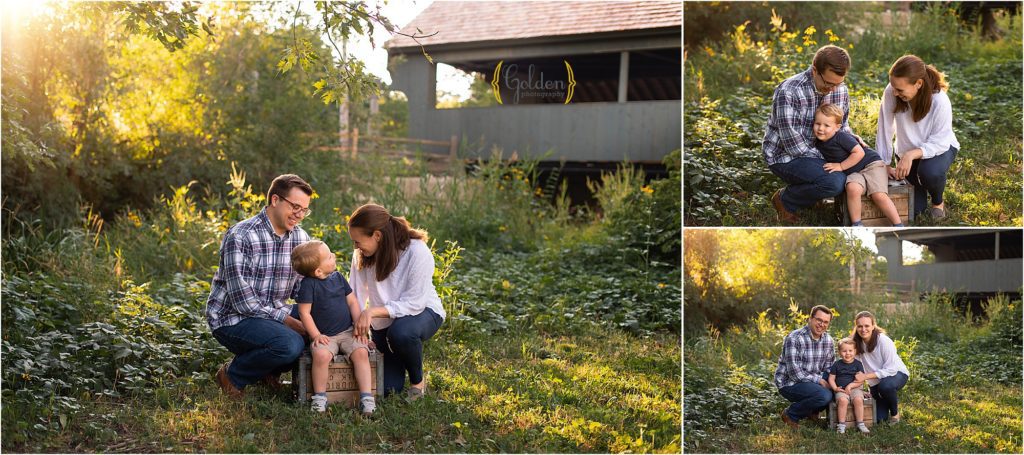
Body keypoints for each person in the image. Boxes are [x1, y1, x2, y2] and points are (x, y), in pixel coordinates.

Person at [206, 174, 313, 398]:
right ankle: (233, 376)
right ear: (275, 200)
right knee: (290, 343)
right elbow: (243, 303)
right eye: (295, 206)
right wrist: (289, 321)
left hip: (271, 310)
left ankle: (266, 372)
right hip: (233, 318)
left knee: (322, 320)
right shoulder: (241, 235)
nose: (299, 215)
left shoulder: (300, 239)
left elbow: (303, 288)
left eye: (304, 210)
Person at [348, 203, 445, 400]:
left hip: (422, 312)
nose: (355, 246)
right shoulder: (361, 255)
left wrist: (371, 312)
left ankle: (417, 383)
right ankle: (400, 357)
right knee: (388, 389)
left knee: (401, 333)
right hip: (384, 322)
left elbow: (415, 303)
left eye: (358, 241)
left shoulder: (416, 251)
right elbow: (355, 295)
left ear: (377, 235)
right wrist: (357, 331)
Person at [764, 44, 867, 223]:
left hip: (820, 151)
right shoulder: (789, 92)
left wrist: (851, 144)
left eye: (838, 83)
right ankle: (785, 199)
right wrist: (835, 162)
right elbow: (793, 145)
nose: (833, 89)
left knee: (859, 162)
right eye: (828, 83)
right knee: (835, 181)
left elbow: (841, 127)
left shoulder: (839, 89)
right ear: (814, 71)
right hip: (786, 156)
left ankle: (814, 192)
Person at [291, 240, 375, 415]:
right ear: (318, 271)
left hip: (347, 331)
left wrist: (358, 328)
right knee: (321, 355)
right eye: (329, 256)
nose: (334, 256)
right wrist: (315, 335)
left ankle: (366, 397)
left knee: (361, 352)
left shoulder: (338, 278)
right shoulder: (308, 285)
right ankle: (320, 397)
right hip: (325, 336)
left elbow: (352, 302)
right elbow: (304, 313)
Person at [876, 54, 959, 220]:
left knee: (930, 172)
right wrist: (884, 163)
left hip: (940, 149)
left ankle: (938, 202)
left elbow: (940, 141)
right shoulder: (892, 92)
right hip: (906, 153)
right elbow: (885, 128)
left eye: (900, 89)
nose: (895, 92)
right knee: (915, 211)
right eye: (893, 87)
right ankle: (921, 194)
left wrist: (911, 154)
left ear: (918, 84)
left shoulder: (939, 100)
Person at [814, 104, 904, 227]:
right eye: (817, 124)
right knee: (852, 188)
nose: (820, 128)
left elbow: (859, 152)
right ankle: (857, 224)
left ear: (837, 127)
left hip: (871, 164)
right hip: (854, 172)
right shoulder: (818, 143)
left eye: (826, 125)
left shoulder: (841, 137)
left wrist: (840, 166)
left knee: (877, 194)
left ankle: (898, 224)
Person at [775, 305, 835, 429]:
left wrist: (835, 383)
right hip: (789, 383)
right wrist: (820, 381)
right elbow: (795, 373)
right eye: (819, 320)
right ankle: (791, 414)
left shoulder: (828, 341)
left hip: (812, 382)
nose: (821, 324)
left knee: (835, 391)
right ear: (810, 318)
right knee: (824, 396)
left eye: (825, 322)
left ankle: (811, 413)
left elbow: (829, 367)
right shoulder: (794, 338)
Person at [851, 311, 910, 424]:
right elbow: (856, 370)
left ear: (873, 326)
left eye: (867, 325)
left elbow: (891, 369)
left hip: (897, 374)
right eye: (860, 326)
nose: (863, 329)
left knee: (886, 386)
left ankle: (895, 414)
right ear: (856, 327)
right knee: (879, 419)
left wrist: (865, 376)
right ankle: (887, 399)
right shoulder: (855, 343)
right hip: (875, 381)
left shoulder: (883, 341)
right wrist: (860, 389)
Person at [828, 337, 869, 434]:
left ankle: (860, 423)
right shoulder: (836, 364)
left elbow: (860, 380)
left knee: (858, 400)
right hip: (841, 389)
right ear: (839, 352)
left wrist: (850, 386)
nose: (847, 353)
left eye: (850, 350)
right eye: (844, 351)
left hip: (855, 388)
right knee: (842, 401)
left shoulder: (858, 364)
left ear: (855, 351)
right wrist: (835, 388)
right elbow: (831, 378)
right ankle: (841, 424)